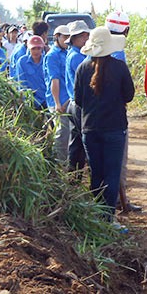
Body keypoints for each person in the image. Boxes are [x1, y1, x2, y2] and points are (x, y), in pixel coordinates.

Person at [74, 26, 134, 225]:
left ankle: (97, 216)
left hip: (89, 129)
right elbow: (129, 95)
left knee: (96, 173)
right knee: (112, 173)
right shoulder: (119, 67)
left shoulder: (82, 68)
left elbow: (78, 100)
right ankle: (108, 217)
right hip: (115, 129)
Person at [105, 11, 142, 213]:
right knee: (118, 162)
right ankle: (121, 202)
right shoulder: (118, 52)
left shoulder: (95, 46)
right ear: (125, 30)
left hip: (95, 116)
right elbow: (126, 92)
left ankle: (116, 201)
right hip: (115, 116)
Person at [65, 21, 90, 176]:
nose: (86, 39)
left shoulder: (76, 55)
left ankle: (74, 177)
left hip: (75, 104)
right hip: (80, 105)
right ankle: (76, 176)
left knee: (77, 144)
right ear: (75, 38)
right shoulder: (77, 57)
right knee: (84, 143)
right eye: (84, 36)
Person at [44, 24, 70, 164]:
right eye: (64, 37)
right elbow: (54, 80)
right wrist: (57, 103)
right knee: (62, 134)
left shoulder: (67, 52)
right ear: (57, 37)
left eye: (68, 37)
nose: (67, 40)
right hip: (59, 101)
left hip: (68, 99)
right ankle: (60, 166)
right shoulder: (52, 56)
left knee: (69, 134)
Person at [15, 35, 47, 110]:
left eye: (38, 48)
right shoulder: (22, 62)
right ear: (29, 48)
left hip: (47, 101)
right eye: (33, 48)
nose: (36, 51)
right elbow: (22, 84)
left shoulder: (47, 60)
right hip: (31, 102)